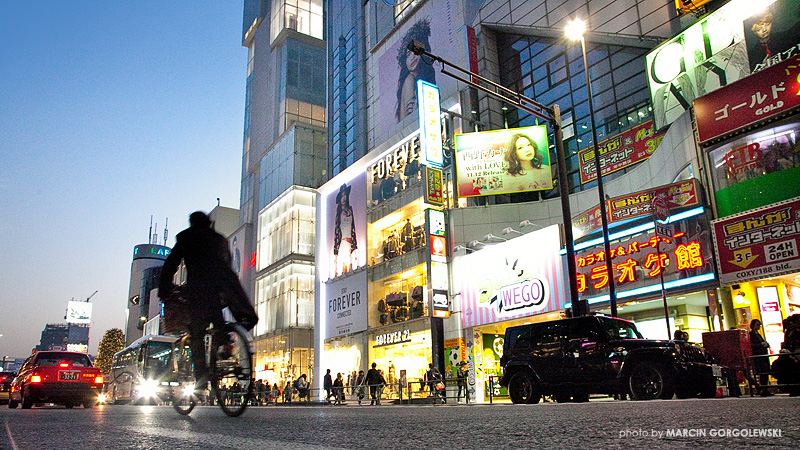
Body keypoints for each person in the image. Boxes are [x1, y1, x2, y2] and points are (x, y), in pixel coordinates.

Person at [158, 211, 258, 390]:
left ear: (192, 223)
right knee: (218, 321)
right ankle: (224, 344)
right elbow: (227, 264)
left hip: (200, 290)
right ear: (210, 223)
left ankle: (202, 377)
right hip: (224, 289)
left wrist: (165, 288)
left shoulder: (187, 237)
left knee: (197, 333)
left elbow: (171, 264)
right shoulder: (220, 239)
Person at [395, 19, 437, 122]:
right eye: (408, 55)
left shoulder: (425, 77)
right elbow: (412, 120)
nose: (412, 57)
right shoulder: (409, 80)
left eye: (415, 52)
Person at [333, 184, 358, 276]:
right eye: (342, 196)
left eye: (345, 195)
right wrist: (335, 250)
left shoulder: (350, 210)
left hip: (350, 242)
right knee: (345, 268)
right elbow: (337, 233)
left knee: (352, 266)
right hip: (343, 243)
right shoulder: (339, 213)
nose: (343, 198)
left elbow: (353, 228)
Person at [749, 319, 773, 396]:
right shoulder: (751, 334)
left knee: (764, 373)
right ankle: (762, 389)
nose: (758, 326)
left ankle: (764, 389)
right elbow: (752, 345)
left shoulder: (758, 334)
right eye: (757, 325)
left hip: (762, 355)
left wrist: (766, 344)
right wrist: (761, 345)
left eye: (759, 325)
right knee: (762, 373)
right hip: (758, 356)